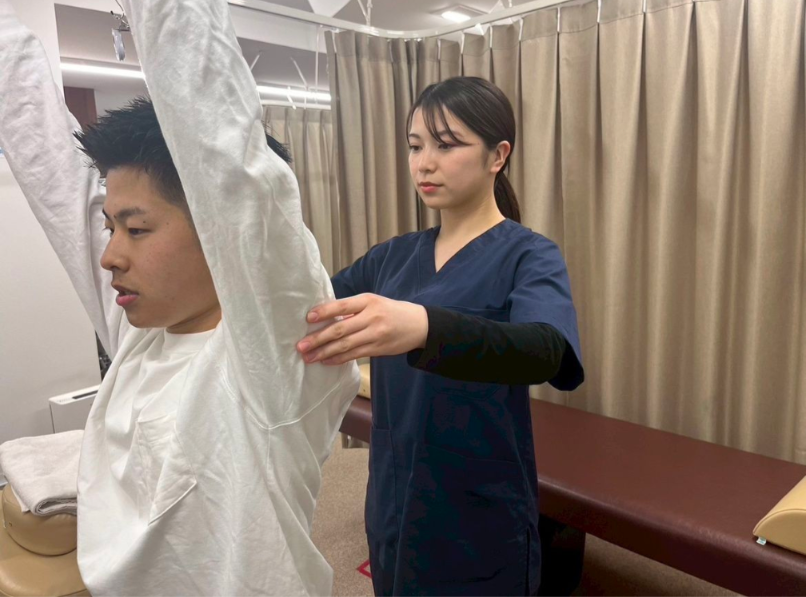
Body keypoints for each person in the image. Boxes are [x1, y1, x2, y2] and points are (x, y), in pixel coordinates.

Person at [0, 0, 359, 594]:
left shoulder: (272, 360)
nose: (110, 255)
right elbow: (42, 152)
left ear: (222, 229)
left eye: (137, 229)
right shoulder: (138, 335)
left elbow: (220, 141)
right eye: (111, 228)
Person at [297, 76, 585, 595]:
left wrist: (423, 326)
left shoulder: (528, 254)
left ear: (498, 156)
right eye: (415, 146)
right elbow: (309, 308)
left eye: (446, 145)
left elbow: (546, 350)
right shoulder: (392, 257)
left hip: (478, 507)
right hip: (394, 496)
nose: (424, 163)